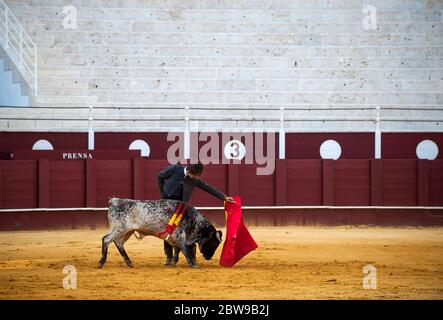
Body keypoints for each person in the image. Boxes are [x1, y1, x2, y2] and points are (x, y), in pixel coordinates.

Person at [156, 162, 234, 265]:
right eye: (195, 175)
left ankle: (176, 256)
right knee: (168, 230)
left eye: (198, 176)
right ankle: (169, 256)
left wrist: (224, 197)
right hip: (167, 206)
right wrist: (163, 194)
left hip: (181, 207)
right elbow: (159, 177)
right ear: (188, 171)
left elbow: (208, 188)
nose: (196, 178)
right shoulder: (175, 169)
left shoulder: (194, 179)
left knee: (180, 231)